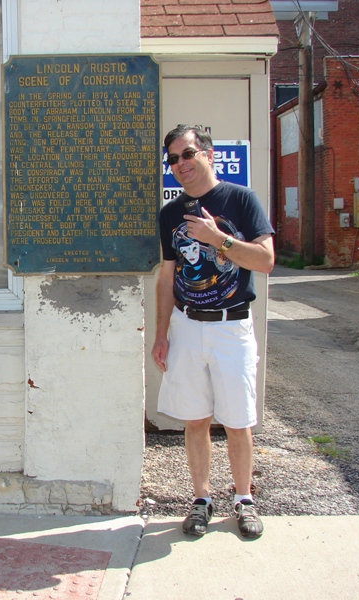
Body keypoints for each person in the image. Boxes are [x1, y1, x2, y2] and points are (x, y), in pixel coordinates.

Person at [151, 125, 275, 538]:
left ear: (209, 154)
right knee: (196, 418)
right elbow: (167, 277)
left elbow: (265, 261)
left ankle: (244, 500)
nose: (180, 164)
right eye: (173, 159)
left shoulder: (241, 199)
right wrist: (162, 334)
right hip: (187, 326)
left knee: (238, 421)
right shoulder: (170, 214)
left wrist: (217, 239)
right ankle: (201, 499)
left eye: (187, 154)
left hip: (231, 326)